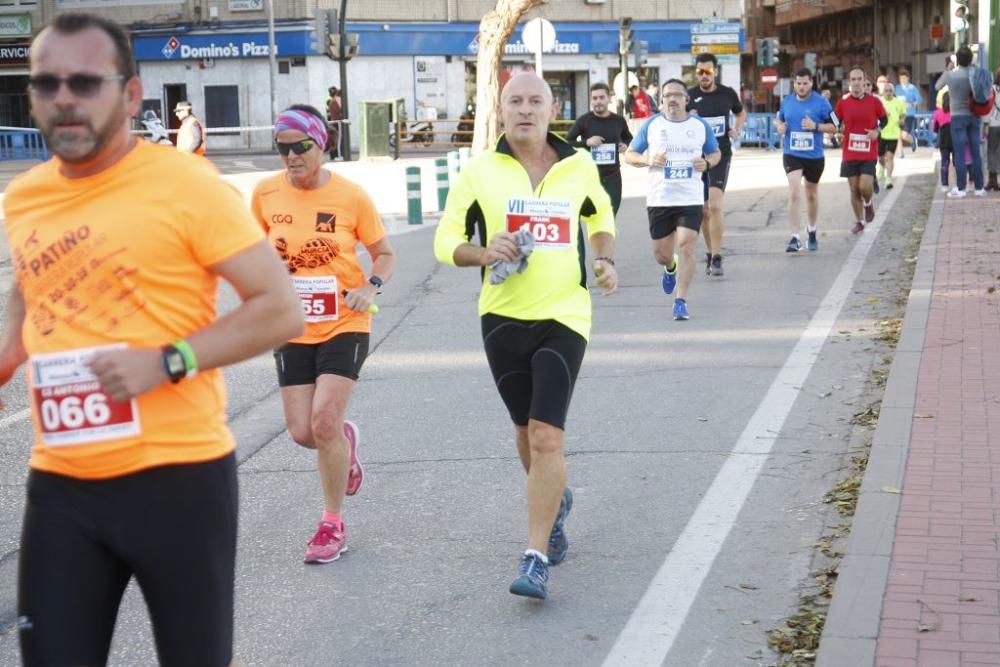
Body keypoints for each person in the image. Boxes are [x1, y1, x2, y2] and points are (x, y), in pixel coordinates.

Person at [0, 13, 304, 667]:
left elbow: (280, 309)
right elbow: (28, 293)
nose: (64, 99)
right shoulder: (23, 197)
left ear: (131, 95)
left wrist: (170, 360)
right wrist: (7, 352)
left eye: (85, 82)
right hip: (63, 484)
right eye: (46, 83)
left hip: (179, 480)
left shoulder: (186, 185)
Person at [433, 73, 618, 601]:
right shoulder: (481, 171)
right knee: (523, 432)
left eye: (536, 101)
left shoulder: (578, 165)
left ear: (552, 108)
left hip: (565, 315)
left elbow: (600, 215)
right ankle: (554, 500)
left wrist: (603, 258)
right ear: (500, 108)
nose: (525, 110)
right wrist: (485, 251)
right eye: (515, 101)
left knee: (545, 435)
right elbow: (447, 241)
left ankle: (535, 555)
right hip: (503, 316)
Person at [251, 105, 396, 564]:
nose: (291, 157)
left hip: (344, 322)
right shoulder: (265, 193)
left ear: (322, 144)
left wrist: (368, 285)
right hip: (292, 324)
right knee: (301, 432)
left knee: (323, 422)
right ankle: (344, 445)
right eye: (283, 148)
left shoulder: (351, 197)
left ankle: (332, 525)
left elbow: (384, 254)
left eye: (300, 147)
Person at [624, 79, 721, 320]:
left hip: (690, 196)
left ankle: (681, 300)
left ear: (686, 99)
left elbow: (715, 152)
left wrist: (708, 163)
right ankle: (670, 267)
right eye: (668, 96)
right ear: (662, 101)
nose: (673, 99)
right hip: (660, 198)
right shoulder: (652, 125)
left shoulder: (699, 126)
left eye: (678, 95)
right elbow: (629, 155)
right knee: (662, 254)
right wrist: (649, 160)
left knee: (687, 244)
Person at [687, 52, 746, 277]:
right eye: (700, 71)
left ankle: (718, 256)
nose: (704, 75)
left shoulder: (727, 94)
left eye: (708, 71)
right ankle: (710, 253)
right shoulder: (689, 97)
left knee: (715, 205)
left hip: (720, 155)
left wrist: (736, 129)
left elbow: (740, 113)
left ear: (715, 71)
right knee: (703, 211)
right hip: (696, 159)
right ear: (696, 73)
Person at [774, 68, 837, 252]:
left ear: (811, 83)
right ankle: (794, 237)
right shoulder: (787, 102)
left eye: (805, 83)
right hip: (792, 153)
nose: (801, 87)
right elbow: (779, 119)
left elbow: (836, 126)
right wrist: (780, 127)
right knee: (794, 193)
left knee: (811, 194)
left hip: (814, 156)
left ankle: (811, 229)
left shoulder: (822, 103)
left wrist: (815, 126)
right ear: (794, 84)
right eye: (798, 83)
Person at [564, 82, 633, 216]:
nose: (598, 101)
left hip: (612, 177)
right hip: (590, 176)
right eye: (594, 98)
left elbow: (629, 138)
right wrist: (586, 142)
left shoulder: (618, 121)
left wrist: (625, 145)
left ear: (608, 99)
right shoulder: (584, 120)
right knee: (586, 216)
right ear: (591, 100)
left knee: (609, 218)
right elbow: (567, 143)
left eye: (602, 97)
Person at [833, 67, 887, 234]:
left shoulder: (874, 102)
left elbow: (884, 120)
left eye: (859, 79)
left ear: (865, 82)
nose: (856, 83)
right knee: (854, 189)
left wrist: (876, 131)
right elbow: (835, 120)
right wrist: (837, 133)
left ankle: (868, 203)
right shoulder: (843, 103)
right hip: (849, 151)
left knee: (864, 186)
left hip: (868, 151)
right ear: (849, 83)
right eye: (853, 79)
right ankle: (859, 221)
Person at [936, 46, 986, 197]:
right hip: (975, 115)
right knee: (976, 152)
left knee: (959, 153)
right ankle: (979, 188)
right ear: (971, 59)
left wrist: (948, 69)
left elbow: (937, 86)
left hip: (957, 117)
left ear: (957, 59)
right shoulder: (975, 74)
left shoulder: (950, 75)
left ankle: (961, 188)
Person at [877, 82, 907, 190]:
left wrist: (902, 120)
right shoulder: (879, 102)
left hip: (893, 134)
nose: (889, 93)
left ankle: (888, 178)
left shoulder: (898, 102)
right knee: (880, 156)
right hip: (881, 132)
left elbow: (903, 114)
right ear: (883, 92)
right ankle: (881, 166)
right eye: (886, 91)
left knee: (890, 157)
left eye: (890, 91)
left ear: (893, 92)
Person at [896, 69, 922, 155]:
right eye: (901, 78)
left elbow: (919, 100)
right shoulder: (897, 88)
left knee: (904, 135)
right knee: (897, 134)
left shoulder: (912, 88)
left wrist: (911, 105)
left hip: (909, 114)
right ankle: (900, 153)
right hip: (898, 115)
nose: (902, 80)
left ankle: (912, 141)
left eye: (904, 78)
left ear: (908, 78)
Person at [933, 92, 953, 193]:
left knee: (944, 163)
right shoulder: (955, 112)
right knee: (957, 162)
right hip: (955, 139)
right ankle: (959, 184)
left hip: (943, 140)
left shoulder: (937, 113)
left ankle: (944, 184)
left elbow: (935, 128)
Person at [985, 68, 1000, 190]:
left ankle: (993, 180)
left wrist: (985, 124)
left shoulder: (992, 89)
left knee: (992, 151)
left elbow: (988, 108)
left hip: (993, 124)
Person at [325, 85, 343, 159]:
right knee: (336, 139)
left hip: (332, 121)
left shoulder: (331, 99)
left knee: (334, 139)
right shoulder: (332, 100)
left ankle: (334, 155)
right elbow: (338, 110)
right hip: (334, 122)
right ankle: (335, 155)